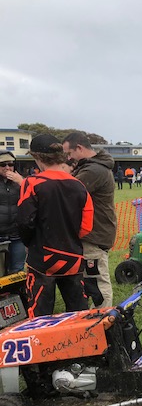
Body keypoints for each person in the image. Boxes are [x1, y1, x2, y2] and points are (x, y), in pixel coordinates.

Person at [17, 134, 94, 317]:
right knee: (78, 312)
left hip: (42, 259)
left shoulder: (31, 184)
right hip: (73, 257)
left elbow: (24, 223)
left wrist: (30, 244)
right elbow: (86, 226)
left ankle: (42, 345)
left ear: (37, 157)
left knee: (39, 313)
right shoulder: (79, 185)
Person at [62, 132, 117, 309]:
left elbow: (66, 193)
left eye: (69, 154)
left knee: (97, 283)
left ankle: (103, 320)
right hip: (93, 232)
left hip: (94, 234)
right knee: (90, 279)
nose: (69, 158)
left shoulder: (93, 170)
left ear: (79, 148)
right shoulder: (92, 167)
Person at [0, 151, 26, 274]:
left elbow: (34, 195)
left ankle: (17, 293)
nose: (7, 168)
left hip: (17, 234)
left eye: (10, 164)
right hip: (0, 235)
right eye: (3, 164)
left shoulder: (19, 182)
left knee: (17, 271)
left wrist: (22, 182)